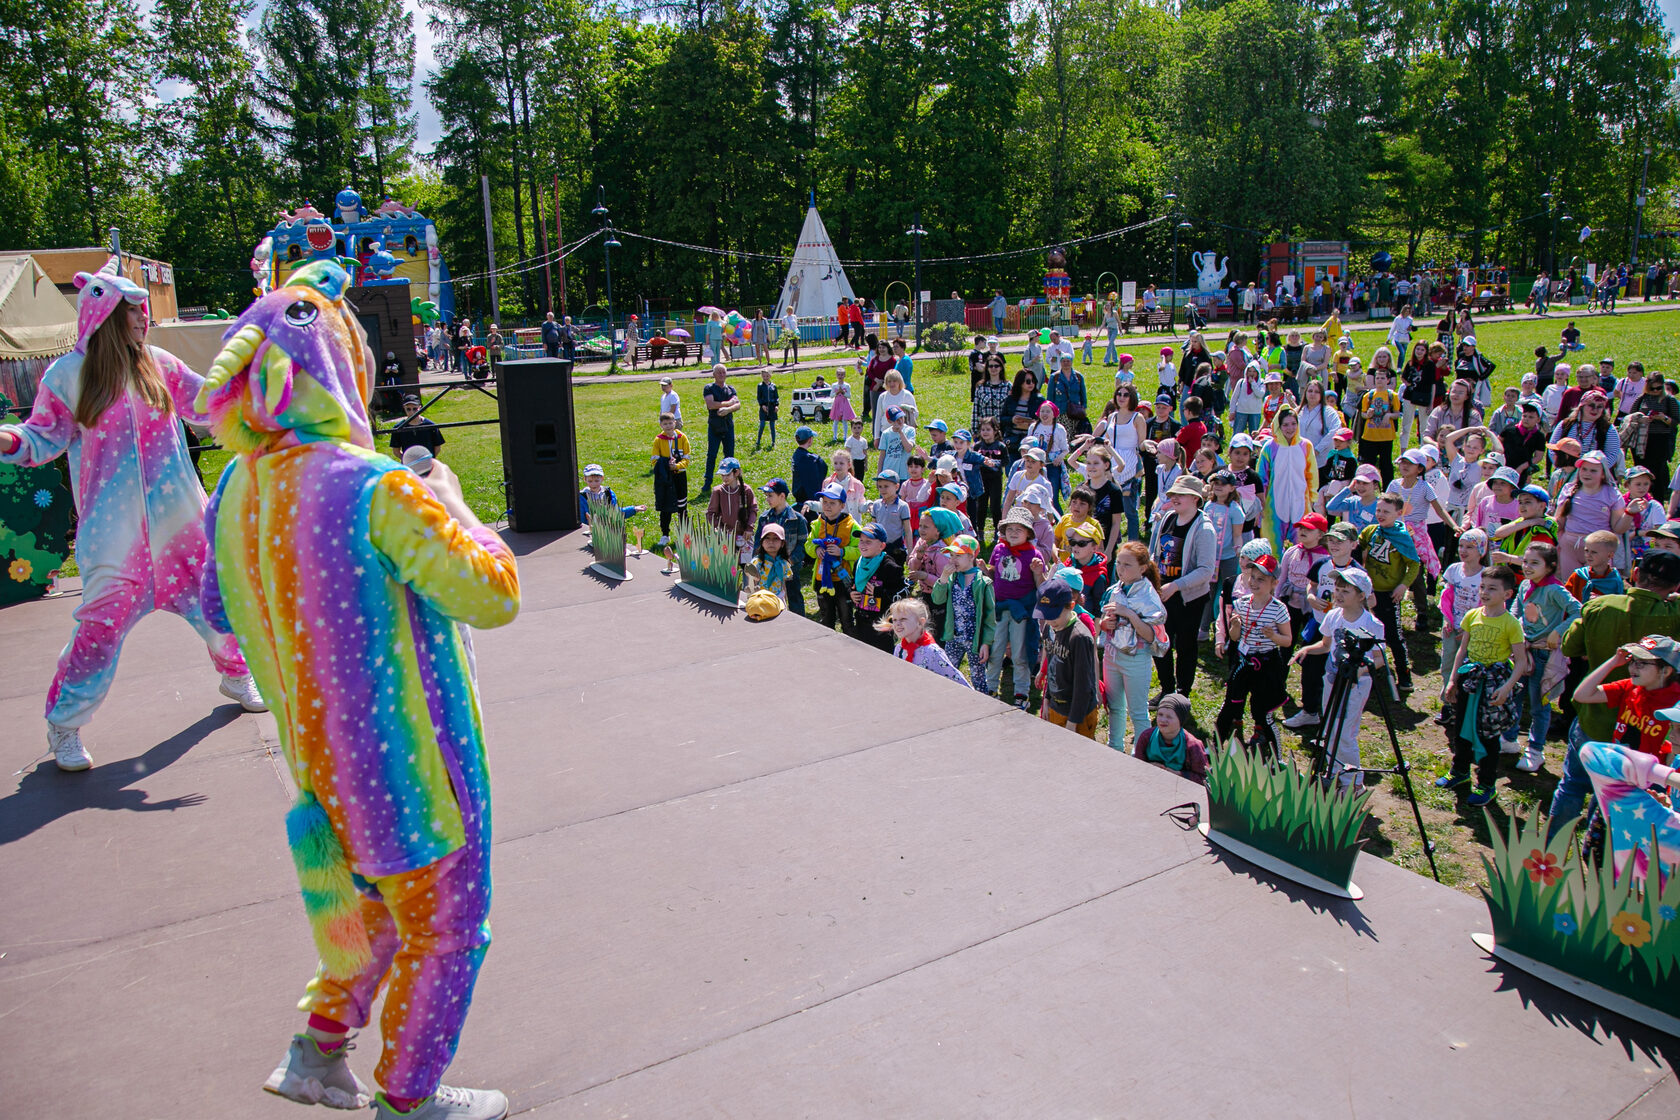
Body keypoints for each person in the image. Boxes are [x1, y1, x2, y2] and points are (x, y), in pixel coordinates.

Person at [194, 262, 521, 1120]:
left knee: (371, 911)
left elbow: (213, 604)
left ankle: (317, 1050)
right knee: (447, 929)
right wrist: (454, 503)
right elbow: (492, 595)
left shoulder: (233, 490)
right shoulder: (374, 486)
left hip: (320, 780)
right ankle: (408, 1100)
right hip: (416, 775)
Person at [0, 261, 263, 771]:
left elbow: (208, 407)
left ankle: (235, 673)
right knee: (98, 630)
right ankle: (65, 725)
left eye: (143, 310)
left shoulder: (159, 364)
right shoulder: (68, 376)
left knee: (218, 606)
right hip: (114, 539)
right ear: (104, 315)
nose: (143, 319)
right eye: (132, 311)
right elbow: (41, 439)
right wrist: (8, 439)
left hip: (182, 527)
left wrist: (254, 393)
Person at [1438, 565, 1528, 808]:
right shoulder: (1472, 616)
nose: (1485, 592)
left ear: (1507, 594)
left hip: (1492, 686)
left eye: (1492, 588)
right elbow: (1462, 651)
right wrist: (1453, 681)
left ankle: (1487, 784)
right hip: (1470, 681)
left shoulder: (1511, 624)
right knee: (1461, 728)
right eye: (1482, 587)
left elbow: (1521, 661)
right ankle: (1460, 771)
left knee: (1488, 735)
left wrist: (1507, 687)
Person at [1291, 567, 1384, 790]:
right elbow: (1326, 645)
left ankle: (1353, 784)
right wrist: (1305, 650)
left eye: (1346, 591)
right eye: (1337, 589)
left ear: (1362, 595)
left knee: (1345, 733)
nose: (1338, 594)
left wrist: (1360, 671)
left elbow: (1380, 659)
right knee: (1329, 727)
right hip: (1332, 679)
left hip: (1355, 685)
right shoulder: (1333, 615)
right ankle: (1333, 772)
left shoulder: (1372, 624)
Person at [1214, 552, 1292, 760]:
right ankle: (1213, 749)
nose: (1254, 582)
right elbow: (1235, 637)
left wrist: (1274, 636)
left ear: (1274, 583)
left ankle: (1277, 758)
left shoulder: (1279, 609)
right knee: (1230, 704)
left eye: (1261, 579)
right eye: (1252, 577)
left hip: (1267, 663)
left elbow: (1288, 640)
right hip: (1245, 661)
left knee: (1263, 713)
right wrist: (1235, 627)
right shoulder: (1242, 603)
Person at [1149, 475, 1219, 701]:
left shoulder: (1204, 529)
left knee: (1186, 647)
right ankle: (1167, 689)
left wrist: (1177, 586)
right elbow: (1156, 553)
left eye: (1181, 494)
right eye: (1173, 494)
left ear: (1196, 498)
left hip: (1189, 598)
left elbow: (1206, 570)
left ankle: (1182, 695)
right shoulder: (1168, 518)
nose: (1175, 498)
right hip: (1163, 594)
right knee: (1162, 643)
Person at [1100, 540, 1167, 750]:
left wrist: (1128, 613)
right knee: (1115, 707)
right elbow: (1106, 620)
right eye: (1119, 563)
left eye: (1127, 565)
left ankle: (1141, 755)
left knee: (1138, 711)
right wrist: (1105, 624)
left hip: (1136, 659)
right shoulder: (1116, 589)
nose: (1120, 569)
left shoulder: (1149, 596)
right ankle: (1115, 748)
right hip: (1111, 655)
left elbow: (1149, 635)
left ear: (1143, 568)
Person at [1358, 494, 1422, 692]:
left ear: (1398, 513)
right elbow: (1356, 549)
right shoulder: (1370, 532)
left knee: (1394, 636)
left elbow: (1414, 565)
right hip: (1367, 594)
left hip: (1389, 595)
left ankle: (1403, 675)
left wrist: (1403, 586)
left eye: (1386, 511)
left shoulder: (1403, 537)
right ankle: (1368, 669)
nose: (1380, 514)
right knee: (1363, 632)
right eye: (1378, 510)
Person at [986, 506, 1047, 706]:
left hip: (1021, 610)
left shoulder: (1033, 554)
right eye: (1010, 528)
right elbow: (993, 575)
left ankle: (1021, 692)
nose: (1013, 533)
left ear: (1028, 533)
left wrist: (1038, 572)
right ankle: (990, 687)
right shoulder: (998, 549)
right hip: (999, 608)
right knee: (996, 649)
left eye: (1018, 530)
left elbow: (1041, 587)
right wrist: (983, 570)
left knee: (1020, 652)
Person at [1036, 579, 1101, 738]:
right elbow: (1052, 668)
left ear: (1071, 606)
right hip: (1056, 707)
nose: (1050, 621)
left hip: (1079, 715)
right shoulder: (1049, 628)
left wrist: (1072, 723)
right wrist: (1047, 699)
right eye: (1046, 615)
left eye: (1054, 615)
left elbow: (1083, 686)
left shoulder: (1079, 638)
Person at [929, 534, 994, 682]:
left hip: (975, 640)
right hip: (954, 637)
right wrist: (943, 577)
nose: (952, 560)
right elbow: (937, 600)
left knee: (979, 679)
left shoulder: (983, 583)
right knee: (947, 675)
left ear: (971, 557)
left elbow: (990, 616)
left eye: (957, 556)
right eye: (951, 556)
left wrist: (986, 642)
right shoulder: (952, 578)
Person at [881, 596, 970, 686]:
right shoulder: (899, 649)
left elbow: (958, 681)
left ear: (920, 622)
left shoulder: (933, 652)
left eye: (903, 619)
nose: (897, 624)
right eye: (895, 620)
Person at [807, 484, 860, 632]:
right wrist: (816, 549)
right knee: (826, 618)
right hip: (822, 580)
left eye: (832, 503)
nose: (827, 506)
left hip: (843, 581)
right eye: (825, 502)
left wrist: (842, 552)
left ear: (842, 505)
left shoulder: (852, 526)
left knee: (846, 619)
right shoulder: (818, 523)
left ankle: (850, 647)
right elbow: (808, 544)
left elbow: (859, 550)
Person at [755, 479, 808, 616]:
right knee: (768, 599)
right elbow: (757, 543)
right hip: (767, 569)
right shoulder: (764, 518)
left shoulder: (798, 520)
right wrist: (759, 561)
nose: (767, 499)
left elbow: (803, 545)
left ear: (782, 496)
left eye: (770, 495)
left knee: (794, 597)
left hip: (790, 568)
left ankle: (799, 625)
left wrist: (790, 561)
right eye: (766, 496)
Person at [848, 522, 906, 649]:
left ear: (881, 546)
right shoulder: (859, 562)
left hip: (882, 624)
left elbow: (902, 593)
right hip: (862, 619)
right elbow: (854, 583)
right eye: (861, 540)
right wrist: (851, 593)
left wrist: (880, 592)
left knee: (882, 658)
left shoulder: (889, 567)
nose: (863, 544)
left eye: (868, 541)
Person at [1356, 366, 1401, 485]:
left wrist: (1389, 415)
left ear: (1387, 380)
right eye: (1377, 378)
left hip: (1386, 436)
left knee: (1386, 464)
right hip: (1370, 436)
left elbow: (1397, 414)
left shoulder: (1393, 396)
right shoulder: (1368, 396)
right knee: (1369, 464)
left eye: (1382, 378)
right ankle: (1369, 486)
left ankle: (1388, 488)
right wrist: (1368, 414)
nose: (1379, 380)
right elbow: (1363, 414)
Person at [700, 363, 742, 492]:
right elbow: (711, 404)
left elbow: (738, 404)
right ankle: (708, 481)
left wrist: (728, 409)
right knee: (712, 454)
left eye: (724, 372)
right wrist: (729, 403)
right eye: (719, 373)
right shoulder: (709, 388)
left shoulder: (730, 389)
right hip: (714, 426)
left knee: (729, 455)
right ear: (714, 375)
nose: (722, 375)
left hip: (728, 426)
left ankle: (733, 480)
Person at [651, 411, 690, 545]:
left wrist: (677, 466)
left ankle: (684, 534)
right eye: (665, 424)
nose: (668, 426)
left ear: (675, 423)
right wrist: (666, 465)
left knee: (682, 506)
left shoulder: (682, 438)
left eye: (670, 423)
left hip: (679, 477)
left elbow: (687, 458)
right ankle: (665, 534)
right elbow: (654, 461)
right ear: (661, 425)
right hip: (665, 479)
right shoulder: (658, 440)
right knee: (665, 506)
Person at [577, 462, 642, 526]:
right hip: (590, 530)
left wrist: (634, 509)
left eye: (597, 481)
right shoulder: (582, 497)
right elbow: (581, 519)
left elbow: (616, 513)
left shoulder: (608, 493)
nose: (593, 484)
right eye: (590, 481)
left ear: (602, 478)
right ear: (585, 479)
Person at [744, 522, 793, 603]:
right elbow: (752, 583)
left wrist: (785, 600)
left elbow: (783, 583)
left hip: (778, 598)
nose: (771, 542)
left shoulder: (783, 563)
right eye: (767, 538)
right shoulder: (757, 562)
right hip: (761, 598)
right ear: (762, 542)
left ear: (782, 543)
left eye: (776, 539)